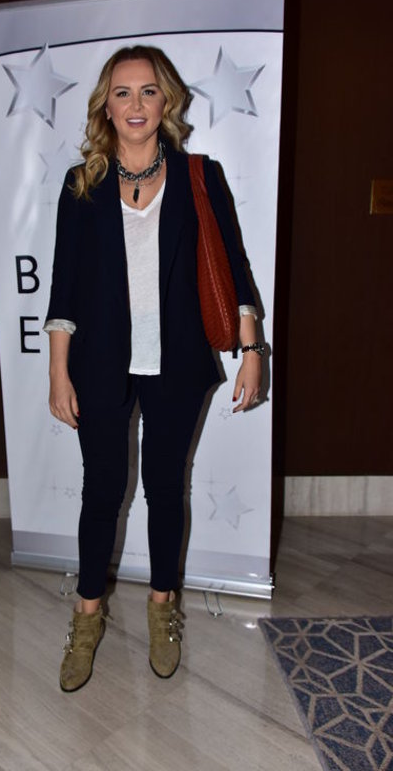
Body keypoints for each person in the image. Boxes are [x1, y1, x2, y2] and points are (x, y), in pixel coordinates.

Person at [44, 45, 263, 692]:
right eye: (122, 92)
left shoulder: (200, 176)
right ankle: (87, 618)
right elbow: (63, 287)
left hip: (179, 364)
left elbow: (234, 269)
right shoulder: (81, 184)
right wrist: (58, 372)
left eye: (147, 91)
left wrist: (252, 351)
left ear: (165, 100)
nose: (135, 104)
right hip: (99, 365)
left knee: (167, 490)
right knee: (101, 493)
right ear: (105, 106)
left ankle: (163, 609)